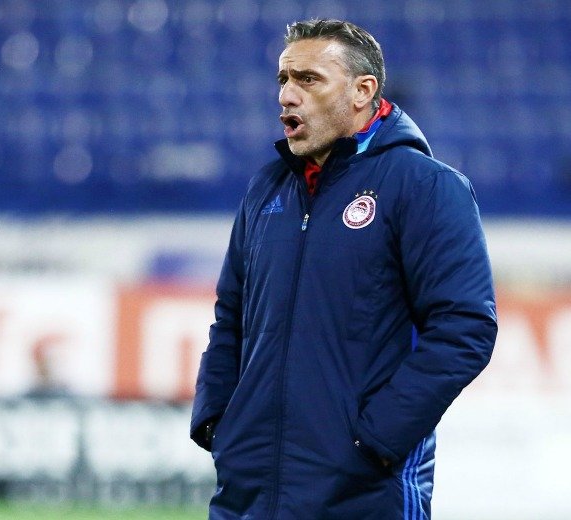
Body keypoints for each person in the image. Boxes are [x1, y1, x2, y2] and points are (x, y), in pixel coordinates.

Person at [190, 18, 497, 519]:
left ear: (362, 91)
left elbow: (465, 329)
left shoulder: (425, 187)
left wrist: (376, 440)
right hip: (249, 491)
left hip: (362, 493)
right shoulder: (266, 190)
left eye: (308, 79)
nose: (287, 95)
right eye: (284, 79)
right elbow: (231, 318)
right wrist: (219, 421)